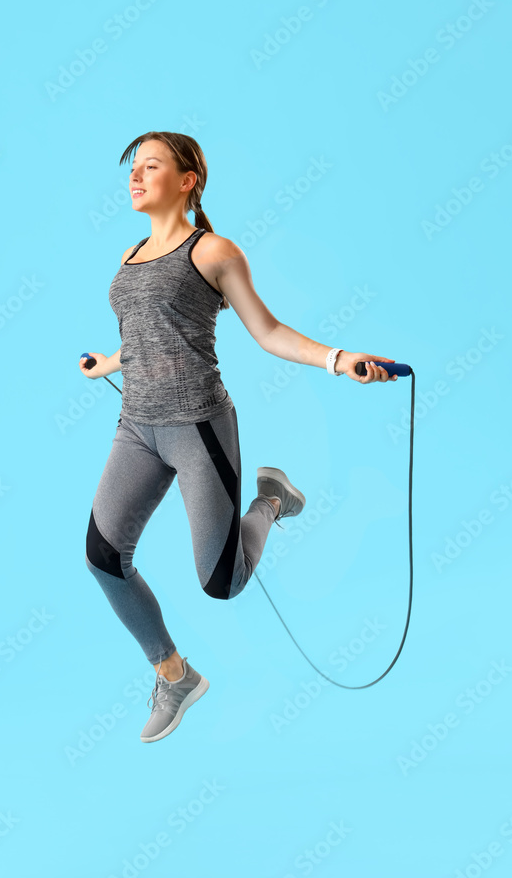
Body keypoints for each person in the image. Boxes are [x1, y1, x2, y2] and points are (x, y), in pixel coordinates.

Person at [81, 131, 397, 743]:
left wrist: (339, 358)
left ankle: (271, 499)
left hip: (198, 426)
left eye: (151, 166)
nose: (135, 177)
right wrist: (108, 361)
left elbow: (268, 331)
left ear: (188, 179)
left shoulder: (214, 252)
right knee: (101, 556)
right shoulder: (131, 253)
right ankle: (174, 676)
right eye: (132, 168)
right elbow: (149, 333)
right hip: (136, 428)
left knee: (222, 583)